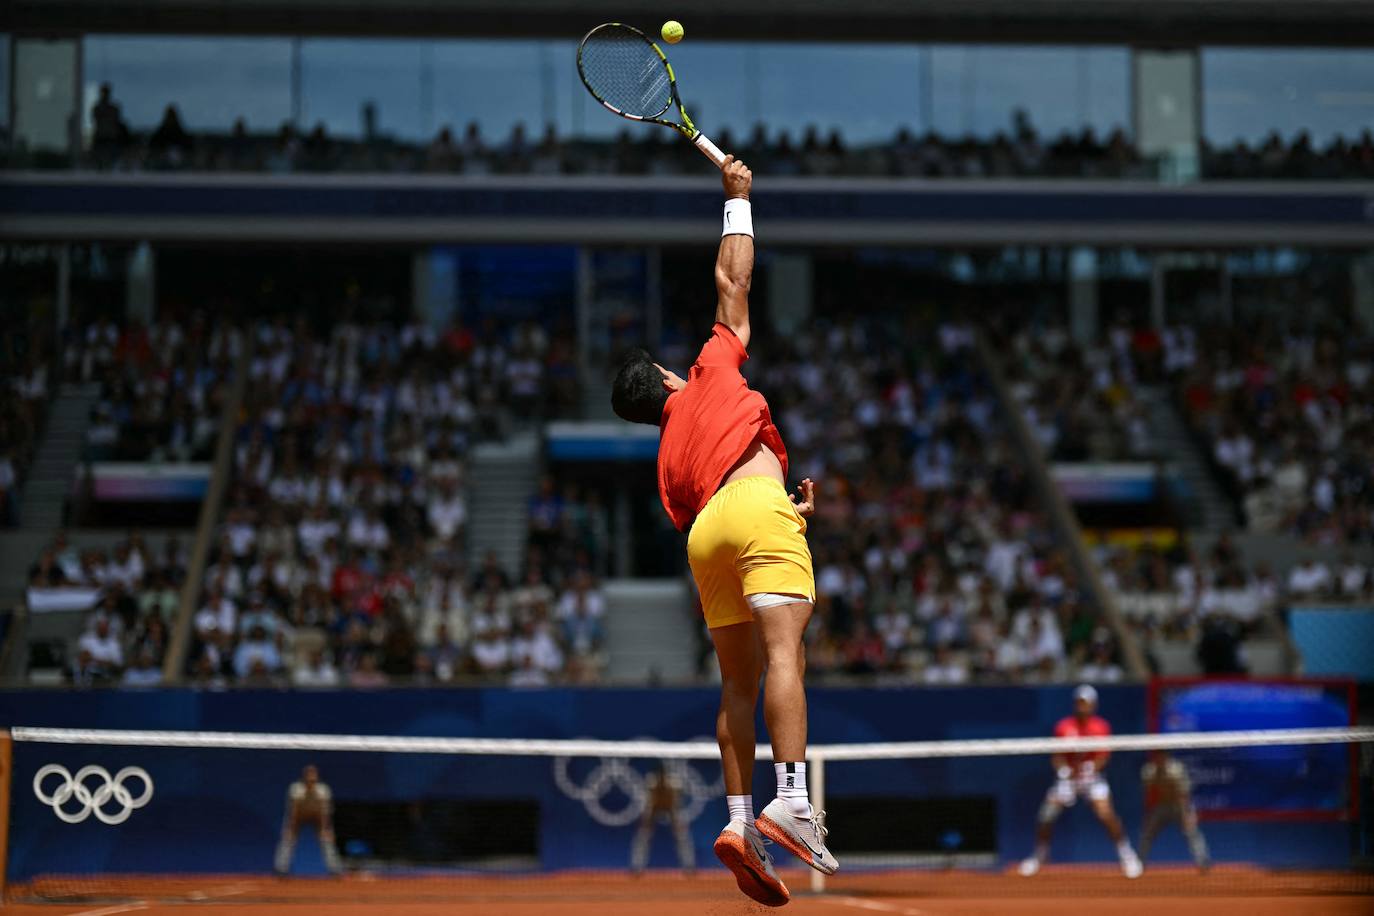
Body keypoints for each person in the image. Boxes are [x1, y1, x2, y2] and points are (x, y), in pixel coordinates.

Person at [610, 155, 835, 908]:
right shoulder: (708, 369)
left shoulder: (668, 457)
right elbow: (733, 286)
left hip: (707, 534)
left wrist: (780, 508)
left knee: (736, 684)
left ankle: (739, 821)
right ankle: (794, 801)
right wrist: (737, 200)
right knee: (785, 657)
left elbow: (721, 513)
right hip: (752, 512)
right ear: (668, 380)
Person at [1018, 685, 1142, 879]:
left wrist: (1090, 769)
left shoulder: (1101, 727)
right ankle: (1040, 855)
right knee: (1046, 815)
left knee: (1106, 814)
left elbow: (1103, 756)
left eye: (1086, 703)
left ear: (1093, 705)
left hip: (1092, 778)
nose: (1082, 706)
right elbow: (1057, 755)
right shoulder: (1063, 726)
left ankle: (1127, 855)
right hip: (1066, 780)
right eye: (1079, 702)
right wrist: (1064, 771)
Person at [1139, 752, 1210, 872]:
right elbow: (1149, 794)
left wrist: (1186, 815)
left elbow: (1183, 795)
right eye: (1156, 756)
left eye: (1161, 756)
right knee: (1147, 832)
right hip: (1162, 806)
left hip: (1180, 805)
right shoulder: (1148, 771)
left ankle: (1202, 862)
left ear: (1166, 757)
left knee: (1191, 832)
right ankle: (1139, 863)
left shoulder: (1176, 770)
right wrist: (1148, 813)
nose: (1158, 759)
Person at [274, 764, 343, 875]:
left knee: (327, 839)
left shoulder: (323, 790)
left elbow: (324, 811)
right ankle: (281, 869)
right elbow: (294, 810)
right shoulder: (296, 788)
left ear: (317, 776)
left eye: (313, 774)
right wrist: (291, 828)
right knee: (288, 838)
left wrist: (325, 829)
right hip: (299, 816)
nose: (311, 777)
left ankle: (335, 869)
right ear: (304, 776)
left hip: (317, 816)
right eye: (308, 775)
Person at [630, 762, 696, 876]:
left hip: (671, 807)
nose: (661, 777)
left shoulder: (675, 783)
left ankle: (689, 866)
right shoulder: (651, 782)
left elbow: (677, 802)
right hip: (654, 806)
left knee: (682, 836)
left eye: (663, 774)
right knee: (643, 835)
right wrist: (646, 819)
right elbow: (648, 803)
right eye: (659, 775)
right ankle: (637, 867)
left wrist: (677, 820)